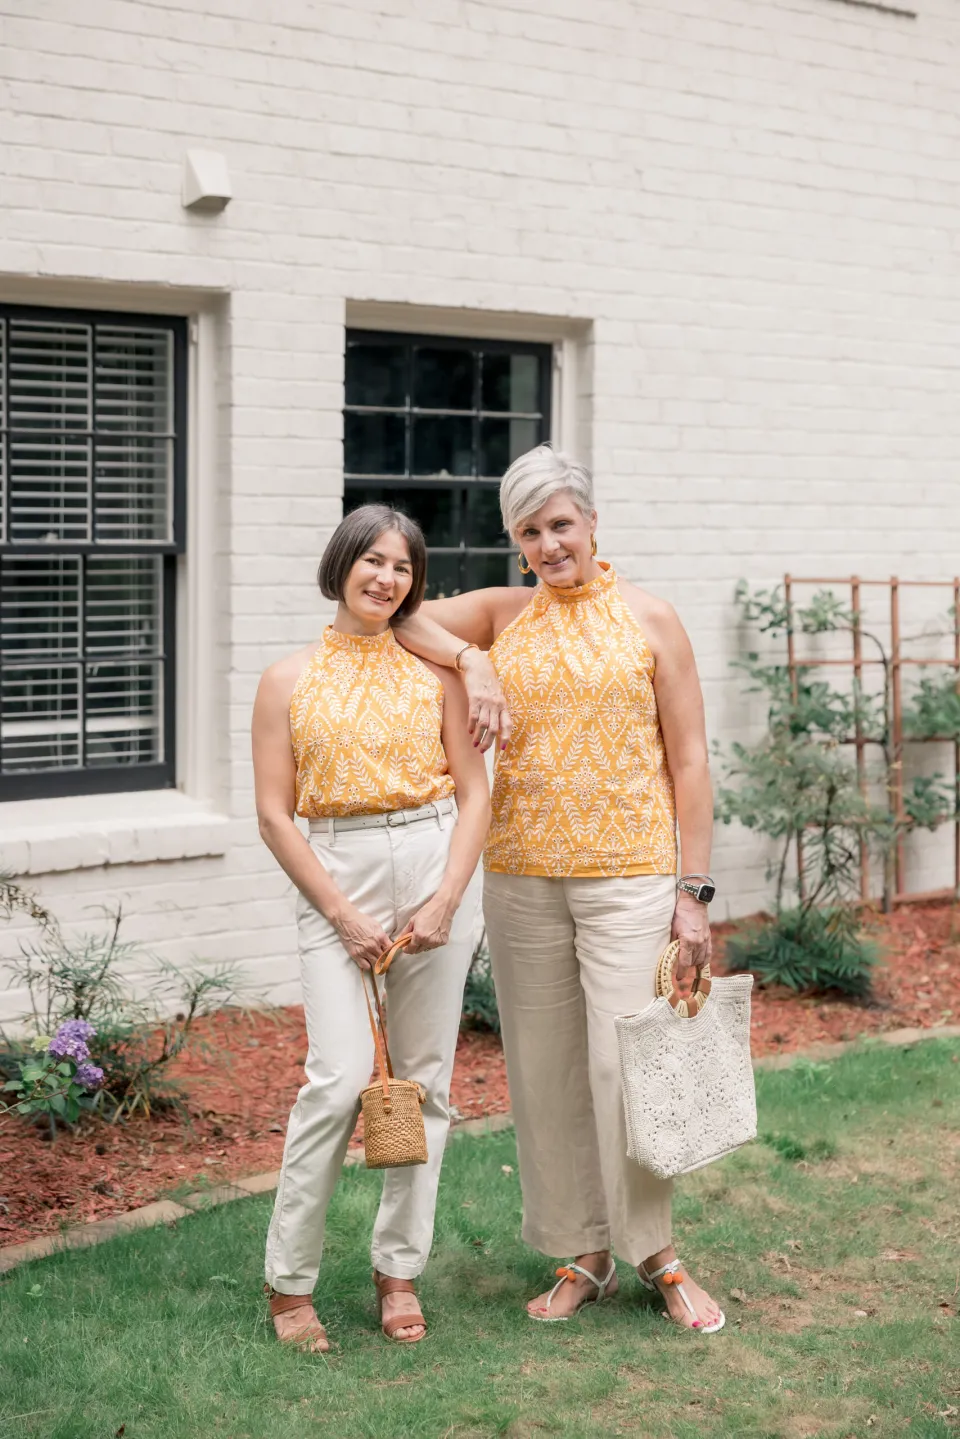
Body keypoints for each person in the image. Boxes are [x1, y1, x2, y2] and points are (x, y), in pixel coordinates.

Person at [393, 444, 724, 1333]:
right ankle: (583, 1251)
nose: (549, 543)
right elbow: (396, 612)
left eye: (560, 524)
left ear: (591, 522)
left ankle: (657, 1252)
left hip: (631, 875)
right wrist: (474, 664)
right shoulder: (503, 614)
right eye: (530, 530)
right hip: (523, 876)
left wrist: (694, 892)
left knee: (628, 1066)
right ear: (516, 540)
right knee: (544, 1073)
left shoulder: (651, 619)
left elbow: (690, 760)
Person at [252, 504, 490, 1350]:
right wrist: (344, 914)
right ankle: (290, 1282)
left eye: (402, 567)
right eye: (373, 560)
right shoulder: (286, 678)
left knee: (425, 1084)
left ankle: (399, 1272)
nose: (386, 577)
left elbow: (475, 792)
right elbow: (276, 815)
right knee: (337, 1078)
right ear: (342, 563)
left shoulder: (439, 675)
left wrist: (446, 898)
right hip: (336, 873)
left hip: (433, 862)